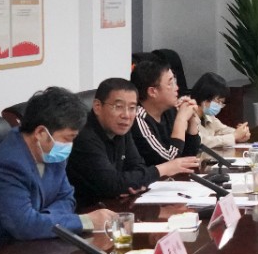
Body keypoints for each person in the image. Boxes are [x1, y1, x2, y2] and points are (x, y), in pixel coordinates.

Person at [0, 87, 117, 254]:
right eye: (68, 138)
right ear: (40, 133)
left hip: (32, 245)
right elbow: (23, 225)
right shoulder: (7, 163)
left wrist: (42, 219)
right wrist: (86, 221)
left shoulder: (52, 152)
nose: (69, 145)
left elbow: (67, 197)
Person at [67, 76, 199, 209]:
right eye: (118, 107)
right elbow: (112, 184)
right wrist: (162, 169)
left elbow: (138, 167)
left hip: (115, 207)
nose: (126, 115)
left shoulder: (121, 129)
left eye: (132, 108)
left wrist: (131, 183)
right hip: (86, 213)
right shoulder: (83, 136)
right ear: (97, 107)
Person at [131, 55, 201, 167]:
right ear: (152, 91)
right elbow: (168, 161)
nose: (177, 88)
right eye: (170, 83)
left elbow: (190, 156)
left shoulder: (169, 110)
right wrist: (181, 120)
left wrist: (191, 118)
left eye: (175, 81)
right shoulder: (138, 118)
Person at [190, 71, 251, 149]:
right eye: (218, 101)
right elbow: (201, 141)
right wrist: (234, 136)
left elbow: (222, 130)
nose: (219, 106)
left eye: (222, 103)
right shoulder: (188, 115)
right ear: (205, 96)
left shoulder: (208, 116)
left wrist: (242, 133)